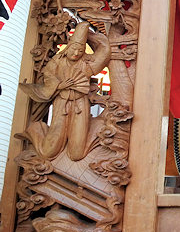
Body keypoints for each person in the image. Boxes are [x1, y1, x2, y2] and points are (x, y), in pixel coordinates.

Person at [19, 21, 111, 161]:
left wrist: (90, 35)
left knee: (76, 154)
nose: (76, 53)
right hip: (61, 103)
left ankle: (97, 131)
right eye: (74, 48)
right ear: (68, 47)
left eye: (80, 50)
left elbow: (105, 51)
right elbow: (48, 76)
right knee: (48, 151)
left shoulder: (87, 64)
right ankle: (35, 130)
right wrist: (59, 85)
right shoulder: (57, 62)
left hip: (80, 104)